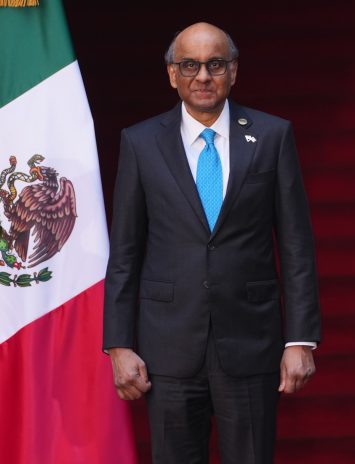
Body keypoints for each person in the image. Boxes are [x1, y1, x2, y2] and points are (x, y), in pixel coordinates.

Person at [102, 22, 320, 464]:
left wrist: (300, 339)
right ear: (172, 74)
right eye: (190, 65)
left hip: (251, 342)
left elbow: (296, 245)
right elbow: (125, 252)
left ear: (233, 71)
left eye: (215, 64)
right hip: (168, 346)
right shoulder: (140, 142)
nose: (202, 76)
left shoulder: (272, 135)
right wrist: (119, 344)